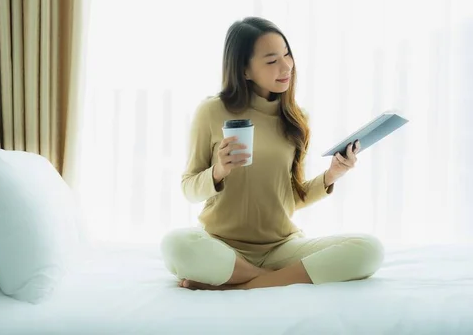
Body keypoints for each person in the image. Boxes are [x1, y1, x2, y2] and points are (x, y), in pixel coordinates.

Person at [160, 17, 384, 291]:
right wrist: (218, 171)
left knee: (369, 249)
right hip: (223, 246)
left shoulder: (296, 119)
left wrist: (331, 175)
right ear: (245, 71)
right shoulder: (211, 112)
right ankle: (270, 276)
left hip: (281, 247)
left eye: (287, 54)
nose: (286, 66)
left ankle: (242, 283)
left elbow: (289, 198)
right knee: (176, 245)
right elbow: (188, 189)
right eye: (271, 60)